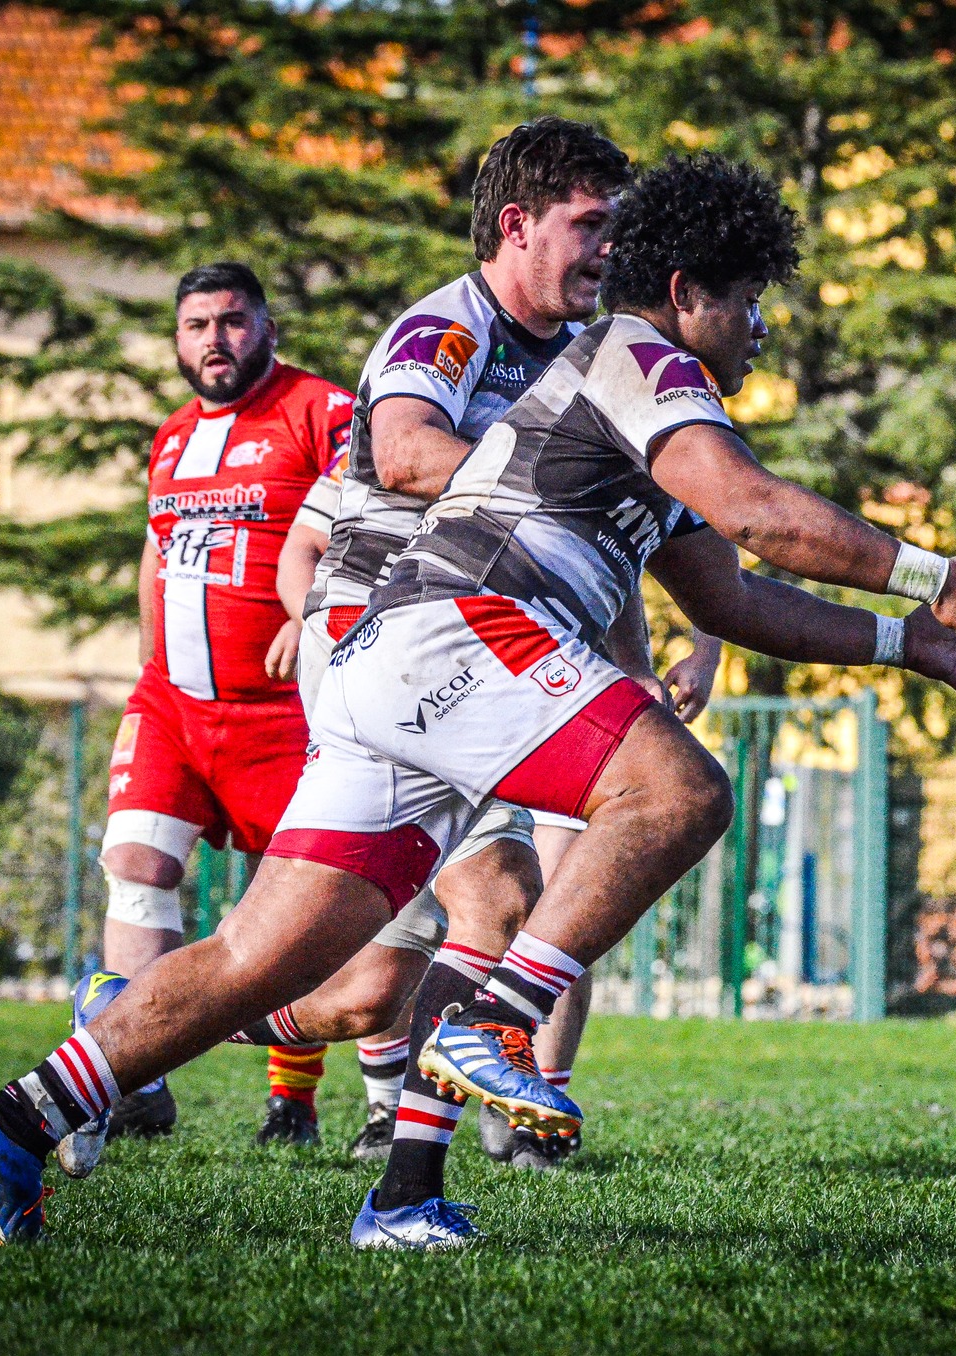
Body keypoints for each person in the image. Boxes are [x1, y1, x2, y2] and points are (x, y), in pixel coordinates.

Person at [0, 153, 956, 1250]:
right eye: (751, 298)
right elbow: (760, 514)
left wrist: (905, 642)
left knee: (261, 962)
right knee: (677, 795)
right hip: (458, 632)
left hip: (409, 661)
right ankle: (489, 1029)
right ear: (686, 294)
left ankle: (24, 1121)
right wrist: (933, 572)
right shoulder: (637, 357)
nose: (762, 325)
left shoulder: (637, 399)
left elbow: (732, 595)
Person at [276, 116, 718, 1169]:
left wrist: (637, 664)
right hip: (384, 639)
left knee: (377, 976)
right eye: (590, 223)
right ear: (516, 226)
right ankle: (415, 1166)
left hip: (487, 645)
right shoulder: (448, 328)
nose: (611, 248)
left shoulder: (581, 353)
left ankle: (138, 1034)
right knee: (506, 903)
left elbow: (590, 547)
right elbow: (405, 449)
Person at [79, 261, 354, 1146]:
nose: (214, 340)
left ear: (266, 325)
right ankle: (135, 1078)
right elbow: (158, 552)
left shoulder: (322, 410)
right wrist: (146, 660)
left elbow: (380, 516)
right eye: (196, 325)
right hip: (173, 704)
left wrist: (318, 611)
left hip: (284, 710)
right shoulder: (169, 438)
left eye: (232, 321)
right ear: (176, 338)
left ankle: (299, 1100)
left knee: (301, 906)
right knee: (135, 865)